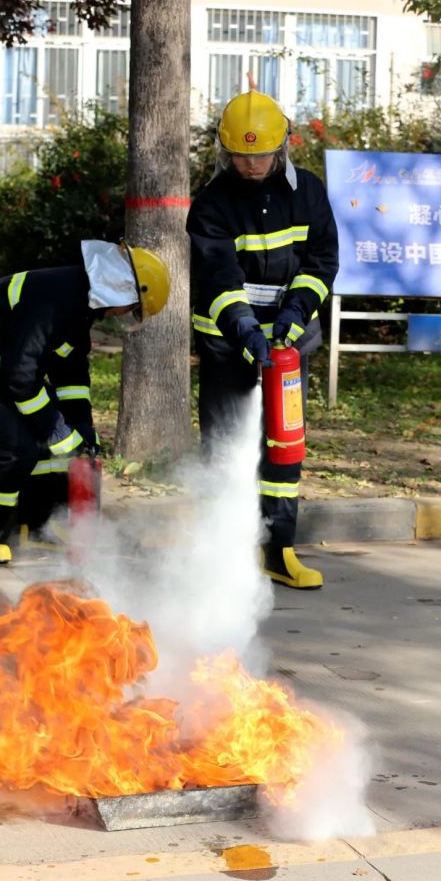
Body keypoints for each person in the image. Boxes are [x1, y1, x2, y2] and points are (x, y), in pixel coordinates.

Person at [0, 240, 170, 564]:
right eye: (131, 306)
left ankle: (39, 529)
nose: (125, 314)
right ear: (122, 288)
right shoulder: (57, 300)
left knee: (55, 443)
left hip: (0, 366)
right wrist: (57, 430)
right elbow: (21, 379)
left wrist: (81, 428)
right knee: (14, 451)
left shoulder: (81, 303)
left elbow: (70, 372)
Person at [186, 90, 339, 589]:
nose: (251, 164)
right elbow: (217, 276)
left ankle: (278, 551)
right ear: (223, 151)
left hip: (290, 345)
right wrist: (247, 330)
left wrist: (293, 316)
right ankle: (219, 558)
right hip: (229, 344)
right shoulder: (211, 204)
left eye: (261, 153)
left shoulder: (309, 192)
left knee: (283, 447)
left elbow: (321, 263)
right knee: (227, 448)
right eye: (240, 154)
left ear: (284, 147)